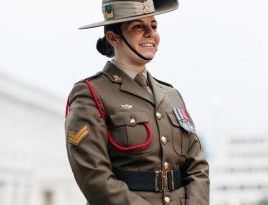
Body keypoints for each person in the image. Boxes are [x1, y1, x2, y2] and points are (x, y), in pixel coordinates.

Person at [65, 0, 210, 204]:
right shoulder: (90, 93)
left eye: (153, 25)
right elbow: (95, 178)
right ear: (113, 38)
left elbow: (197, 167)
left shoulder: (171, 95)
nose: (150, 33)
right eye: (137, 26)